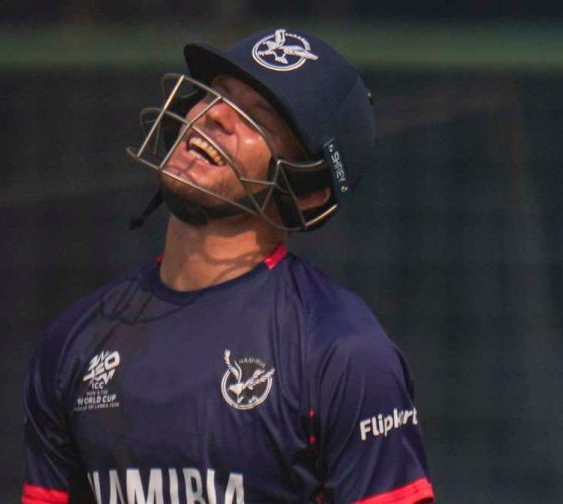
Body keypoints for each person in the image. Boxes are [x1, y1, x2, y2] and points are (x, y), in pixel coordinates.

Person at [23, 28, 434, 504]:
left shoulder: (343, 352)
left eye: (257, 118)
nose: (214, 115)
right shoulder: (74, 341)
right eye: (216, 93)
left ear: (307, 189)